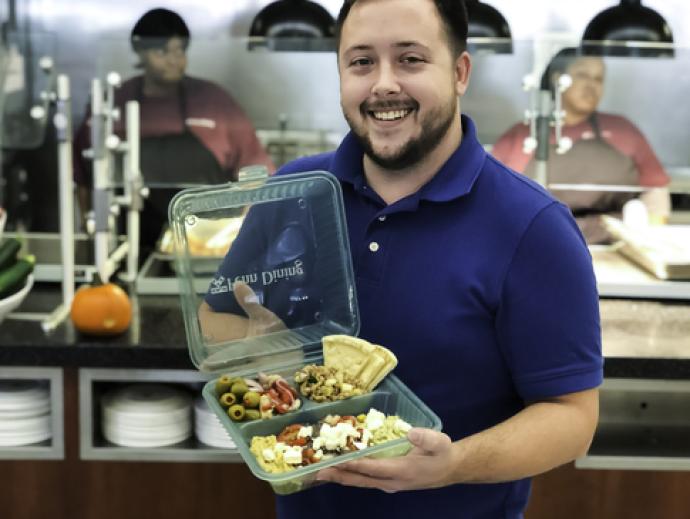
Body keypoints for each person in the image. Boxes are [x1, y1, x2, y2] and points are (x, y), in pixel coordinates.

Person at [200, 1, 602, 517]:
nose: (383, 85)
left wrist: (452, 464)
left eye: (410, 59)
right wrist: (258, 351)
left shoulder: (532, 227)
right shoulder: (294, 192)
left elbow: (572, 418)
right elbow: (214, 320)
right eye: (361, 62)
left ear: (459, 72)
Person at [73, 8, 274, 249]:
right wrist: (89, 228)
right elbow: (82, 175)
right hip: (127, 246)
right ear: (140, 51)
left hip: (205, 245)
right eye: (162, 51)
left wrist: (243, 231)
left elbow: (256, 171)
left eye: (180, 50)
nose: (174, 60)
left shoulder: (214, 101)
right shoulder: (113, 102)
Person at [492, 47, 671, 243]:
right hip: (538, 247)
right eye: (582, 75)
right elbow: (492, 199)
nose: (591, 85)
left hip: (613, 248)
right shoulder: (521, 135)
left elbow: (656, 195)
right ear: (557, 79)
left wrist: (651, 240)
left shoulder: (623, 130)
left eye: (598, 79)